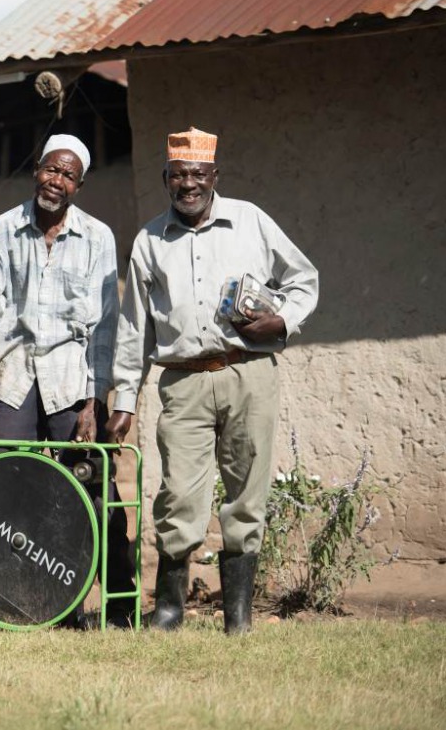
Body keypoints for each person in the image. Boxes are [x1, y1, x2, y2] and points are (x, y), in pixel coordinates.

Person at [105, 127, 318, 634]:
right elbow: (135, 326)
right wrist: (124, 399)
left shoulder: (250, 222)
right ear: (166, 179)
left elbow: (303, 278)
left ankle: (237, 616)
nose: (189, 184)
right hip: (183, 382)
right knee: (178, 495)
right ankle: (170, 610)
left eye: (198, 174)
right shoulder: (149, 241)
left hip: (249, 374)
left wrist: (281, 321)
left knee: (247, 494)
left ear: (214, 176)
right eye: (179, 175)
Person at [0, 134, 137, 627]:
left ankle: (119, 604)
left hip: (71, 372)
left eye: (68, 175)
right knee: (3, 483)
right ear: (37, 170)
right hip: (13, 369)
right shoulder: (0, 231)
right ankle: (13, 602)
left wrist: (94, 402)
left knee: (92, 486)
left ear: (79, 184)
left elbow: (104, 326)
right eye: (51, 169)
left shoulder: (97, 237)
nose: (56, 181)